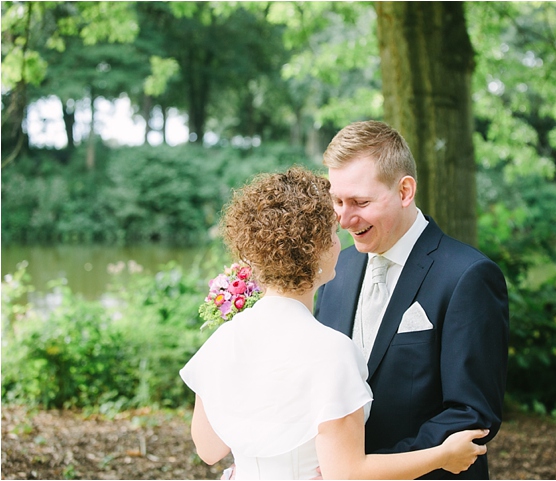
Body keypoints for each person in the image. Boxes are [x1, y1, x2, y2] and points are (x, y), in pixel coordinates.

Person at [180, 167, 489, 480]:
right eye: (332, 233)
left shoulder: (223, 339)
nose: (340, 240)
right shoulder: (332, 350)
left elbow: (209, 449)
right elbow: (346, 473)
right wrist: (443, 455)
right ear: (318, 251)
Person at [314, 121, 510, 479]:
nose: (344, 219)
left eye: (360, 202)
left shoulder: (469, 276)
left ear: (405, 191)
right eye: (337, 201)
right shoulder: (334, 271)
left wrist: (373, 470)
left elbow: (471, 414)